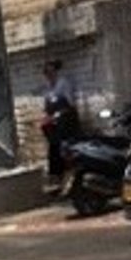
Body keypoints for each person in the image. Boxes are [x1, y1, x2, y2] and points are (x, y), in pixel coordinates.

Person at [41, 59, 80, 192]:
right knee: (53, 147)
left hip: (66, 121)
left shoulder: (63, 84)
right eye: (46, 72)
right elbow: (47, 107)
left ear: (55, 71)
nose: (49, 75)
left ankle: (69, 174)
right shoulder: (47, 88)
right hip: (54, 124)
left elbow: (71, 105)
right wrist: (47, 117)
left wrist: (59, 114)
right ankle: (56, 177)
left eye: (51, 72)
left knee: (64, 147)